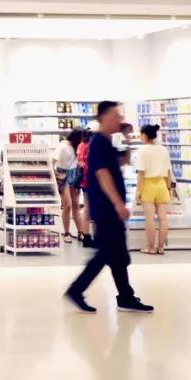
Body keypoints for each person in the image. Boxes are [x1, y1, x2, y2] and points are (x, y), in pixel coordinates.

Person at [65, 101, 153, 314]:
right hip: (106, 210)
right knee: (106, 253)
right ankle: (77, 290)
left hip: (109, 209)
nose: (119, 119)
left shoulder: (107, 142)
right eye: (115, 116)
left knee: (118, 255)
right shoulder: (98, 143)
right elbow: (103, 174)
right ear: (103, 117)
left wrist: (127, 142)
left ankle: (125, 297)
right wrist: (118, 203)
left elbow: (121, 163)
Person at [136, 124, 174, 255]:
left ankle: (150, 247)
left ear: (145, 135)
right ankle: (161, 247)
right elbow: (168, 172)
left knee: (150, 219)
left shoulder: (143, 151)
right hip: (161, 185)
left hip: (148, 185)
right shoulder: (163, 150)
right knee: (163, 219)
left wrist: (138, 191)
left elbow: (141, 173)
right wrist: (169, 188)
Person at [53, 129, 86, 243]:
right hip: (63, 175)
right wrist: (55, 174)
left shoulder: (76, 146)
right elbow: (52, 161)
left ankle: (80, 232)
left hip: (74, 174)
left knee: (76, 205)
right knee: (67, 205)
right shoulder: (63, 146)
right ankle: (66, 233)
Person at [74, 131, 94, 247]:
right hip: (91, 181)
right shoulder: (90, 146)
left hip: (84, 181)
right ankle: (89, 236)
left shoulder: (80, 145)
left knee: (87, 208)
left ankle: (86, 235)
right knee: (91, 209)